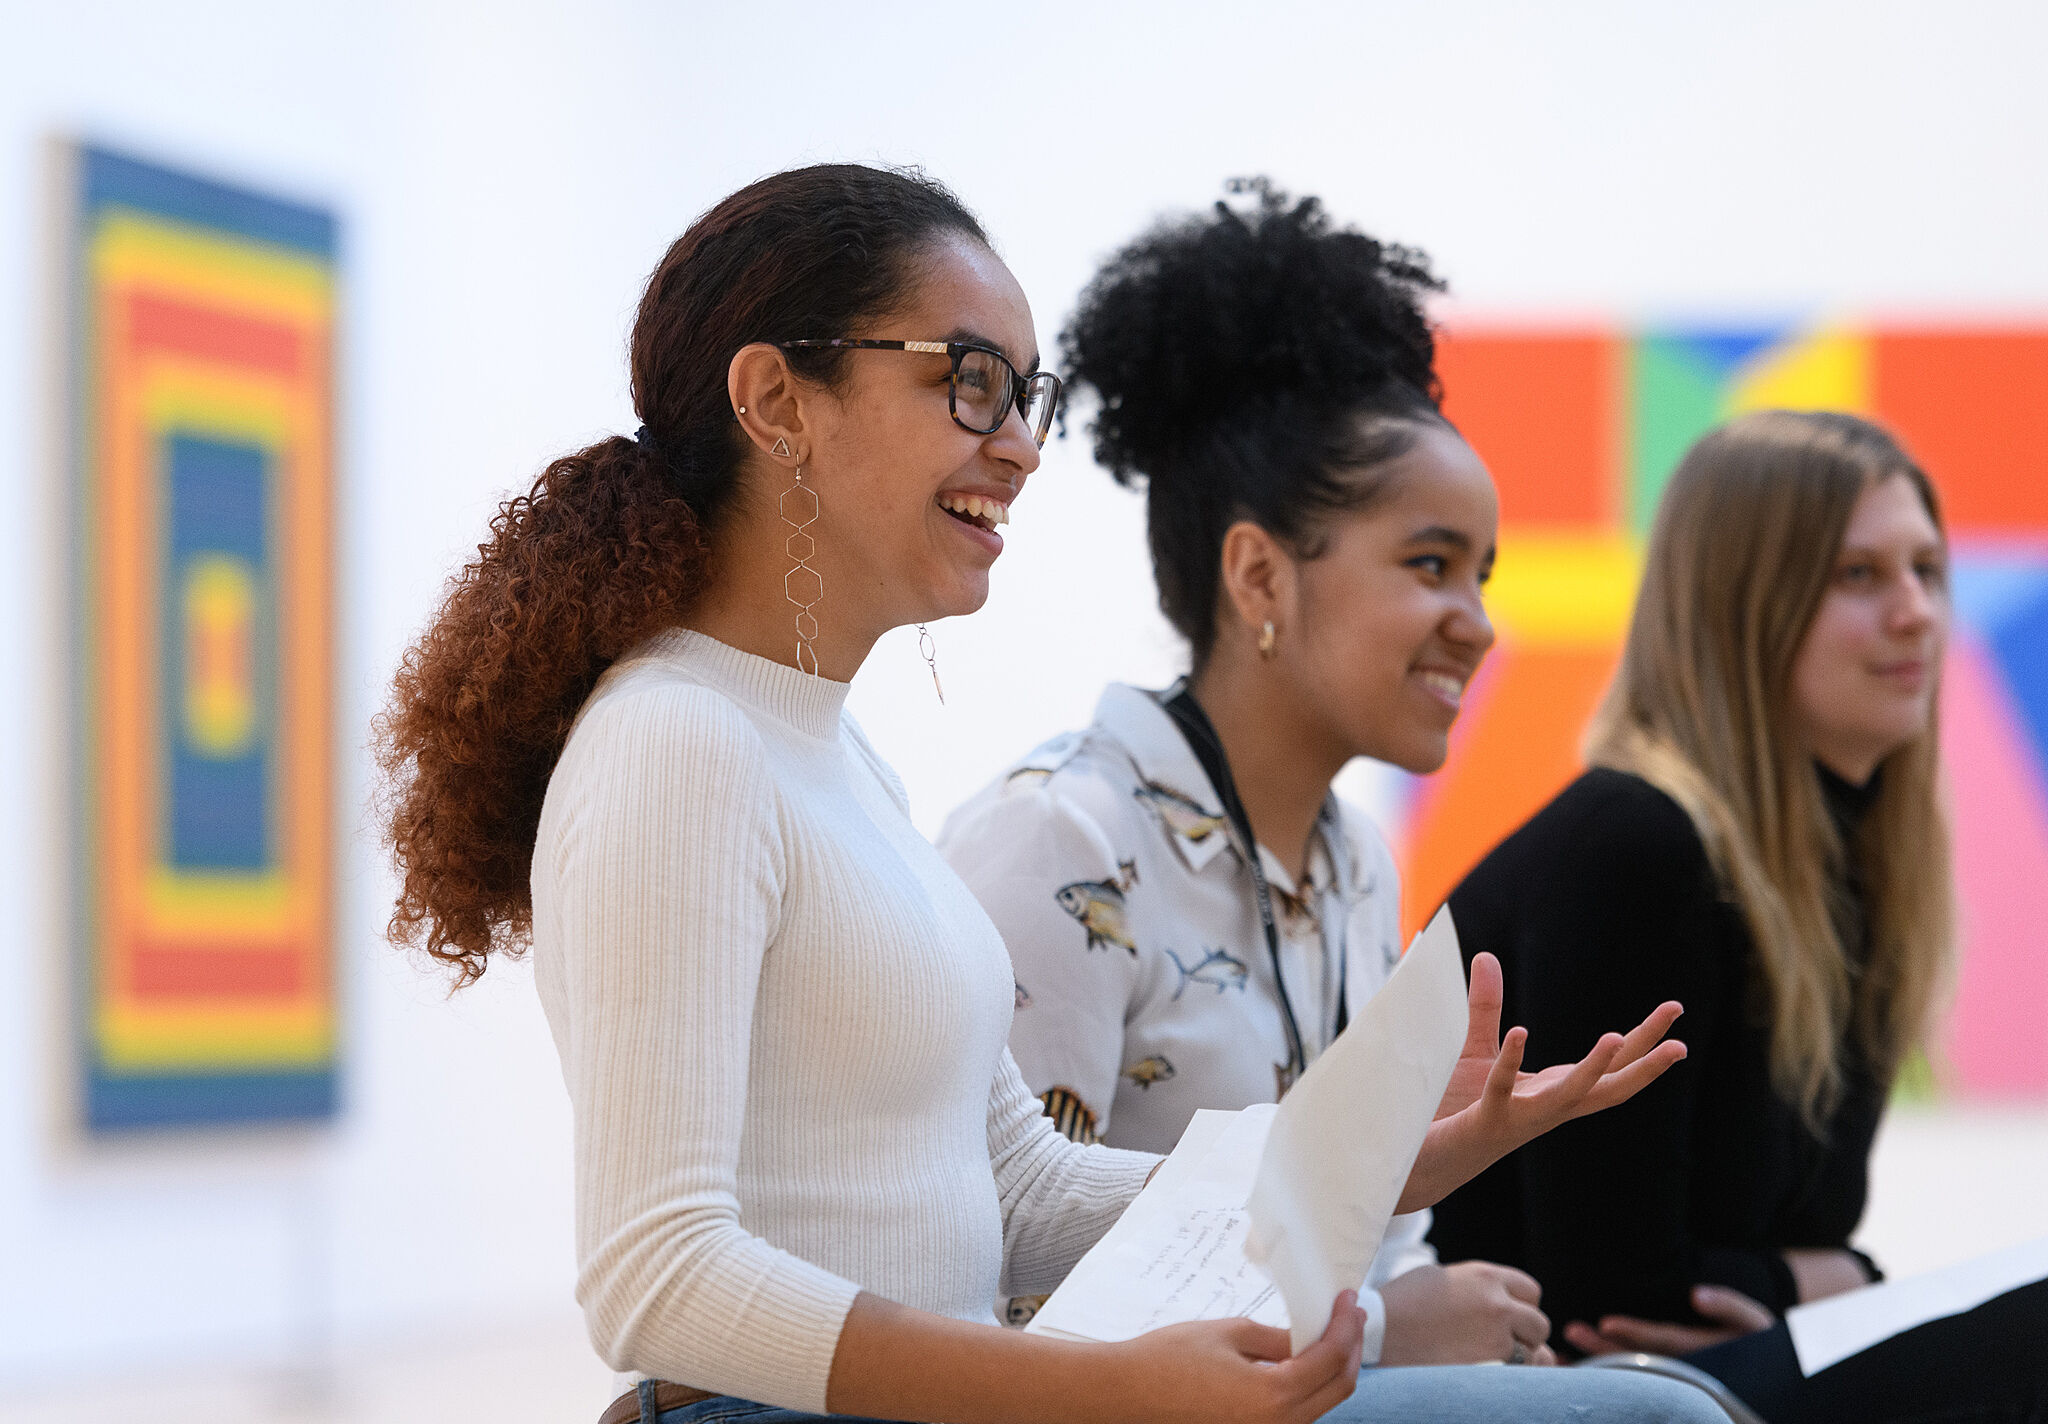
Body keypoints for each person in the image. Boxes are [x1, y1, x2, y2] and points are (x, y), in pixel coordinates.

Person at [375, 163, 1718, 1424]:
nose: (1019, 445)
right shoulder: (676, 741)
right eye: (969, 383)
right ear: (777, 401)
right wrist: (1110, 1392)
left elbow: (1021, 1189)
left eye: (1030, 396)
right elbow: (656, 1278)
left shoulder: (839, 764)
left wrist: (1390, 1161)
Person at [939, 180, 1567, 1372]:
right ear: (1259, 577)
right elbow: (992, 1288)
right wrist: (1388, 1339)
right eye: (1431, 564)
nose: (1476, 623)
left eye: (1481, 574)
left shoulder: (1352, 867)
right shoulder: (1057, 839)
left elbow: (1379, 1245)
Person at [1427, 410, 2048, 1422]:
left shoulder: (1853, 875)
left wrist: (1820, 1274)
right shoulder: (1636, 846)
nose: (1915, 613)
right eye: (1857, 575)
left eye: (1926, 570)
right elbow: (1610, 1303)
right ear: (1738, 605)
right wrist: (1830, 1276)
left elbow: (1801, 1242)